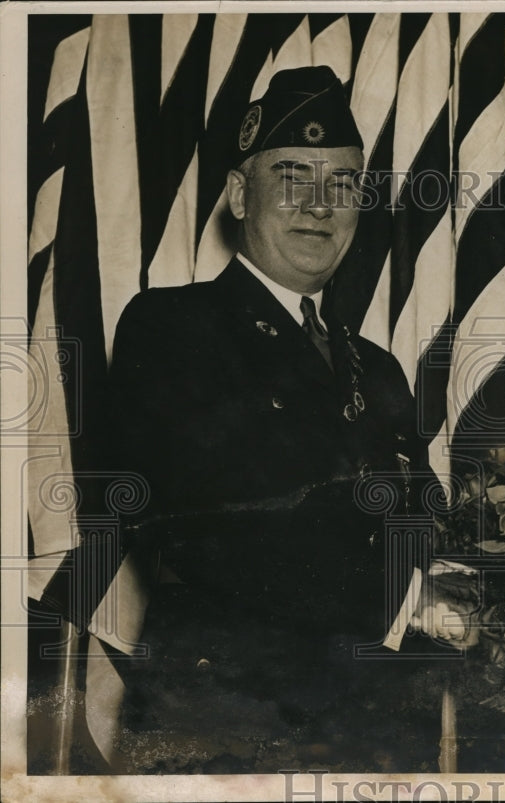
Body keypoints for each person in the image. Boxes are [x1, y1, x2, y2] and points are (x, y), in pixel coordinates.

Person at [108, 66, 442, 773]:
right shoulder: (173, 326)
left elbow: (424, 522)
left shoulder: (377, 368)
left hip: (374, 737)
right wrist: (417, 599)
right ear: (237, 195)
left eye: (343, 183)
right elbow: (214, 530)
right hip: (227, 731)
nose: (320, 205)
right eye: (292, 176)